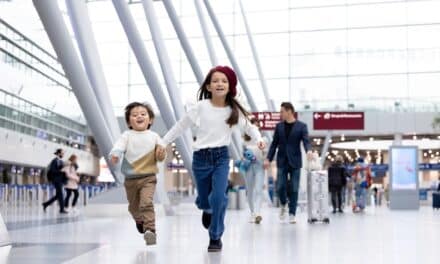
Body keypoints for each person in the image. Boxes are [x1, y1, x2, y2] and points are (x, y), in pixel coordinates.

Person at [162, 65, 265, 252]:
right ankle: (205, 207)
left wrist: (258, 140)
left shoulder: (233, 110)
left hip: (221, 158)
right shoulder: (200, 107)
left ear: (230, 86)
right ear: (208, 86)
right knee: (204, 199)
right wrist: (163, 142)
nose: (219, 83)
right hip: (200, 158)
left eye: (224, 81)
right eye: (215, 81)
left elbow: (249, 126)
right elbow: (180, 126)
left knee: (219, 197)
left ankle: (215, 237)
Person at [109, 102, 166, 246]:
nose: (139, 116)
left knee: (146, 203)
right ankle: (139, 220)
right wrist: (115, 155)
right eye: (134, 115)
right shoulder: (127, 135)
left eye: (143, 114)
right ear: (129, 122)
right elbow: (118, 147)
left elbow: (161, 155)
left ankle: (150, 231)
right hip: (130, 180)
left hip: (148, 178)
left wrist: (161, 153)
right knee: (134, 208)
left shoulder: (154, 136)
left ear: (150, 120)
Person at [264, 102, 312, 224]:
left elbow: (306, 141)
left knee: (295, 188)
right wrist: (268, 158)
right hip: (281, 160)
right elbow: (274, 144)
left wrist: (309, 151)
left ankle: (292, 213)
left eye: (282, 112)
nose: (280, 114)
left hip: (295, 161)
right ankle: (284, 204)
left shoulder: (302, 126)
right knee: (280, 186)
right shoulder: (279, 127)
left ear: (289, 111)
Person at [240, 117, 266, 224]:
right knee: (250, 190)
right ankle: (252, 213)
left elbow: (265, 154)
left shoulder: (263, 139)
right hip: (248, 167)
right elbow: (241, 155)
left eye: (257, 126)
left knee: (259, 190)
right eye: (253, 125)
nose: (255, 128)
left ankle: (258, 213)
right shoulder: (243, 141)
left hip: (259, 166)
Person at [42, 148, 68, 214]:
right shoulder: (54, 161)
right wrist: (61, 171)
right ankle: (62, 209)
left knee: (58, 195)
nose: (63, 154)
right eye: (62, 153)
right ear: (58, 153)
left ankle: (45, 204)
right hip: (56, 180)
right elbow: (53, 171)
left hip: (60, 180)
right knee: (61, 195)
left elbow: (61, 170)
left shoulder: (61, 161)